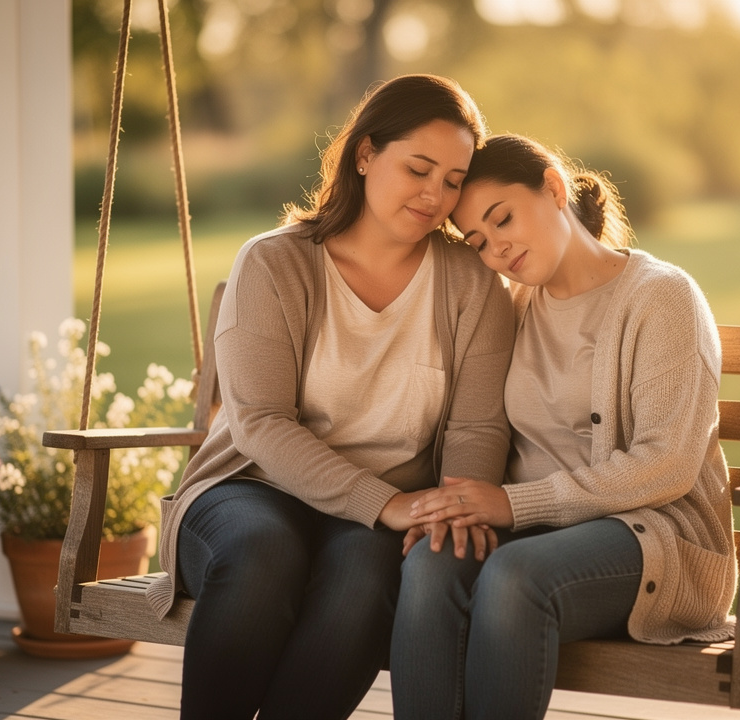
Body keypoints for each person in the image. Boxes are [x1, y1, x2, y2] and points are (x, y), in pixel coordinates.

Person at [145, 75, 516, 720]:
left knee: (365, 580)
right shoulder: (276, 263)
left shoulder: (470, 283)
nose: (435, 194)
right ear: (366, 153)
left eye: (453, 180)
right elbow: (259, 423)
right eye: (418, 168)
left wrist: (448, 509)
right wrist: (389, 503)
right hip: (250, 486)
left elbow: (477, 426)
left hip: (380, 513)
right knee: (265, 555)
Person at [390, 134, 738, 720]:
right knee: (429, 564)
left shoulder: (662, 298)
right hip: (538, 531)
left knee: (515, 576)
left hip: (654, 535)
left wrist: (513, 505)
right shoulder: (514, 305)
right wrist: (452, 507)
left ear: (553, 188)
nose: (497, 249)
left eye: (503, 220)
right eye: (479, 241)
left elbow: (669, 464)